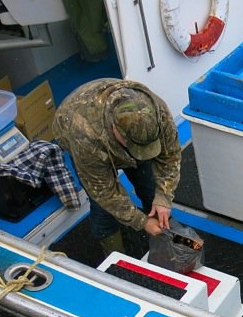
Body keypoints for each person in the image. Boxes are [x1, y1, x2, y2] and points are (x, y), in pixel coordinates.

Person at [52, 78, 181, 255]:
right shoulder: (85, 136)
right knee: (103, 209)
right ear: (115, 129)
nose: (140, 154)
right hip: (78, 130)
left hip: (116, 136)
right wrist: (141, 221)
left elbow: (171, 156)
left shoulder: (158, 113)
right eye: (137, 147)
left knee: (149, 187)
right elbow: (104, 192)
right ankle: (114, 256)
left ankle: (164, 239)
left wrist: (164, 198)